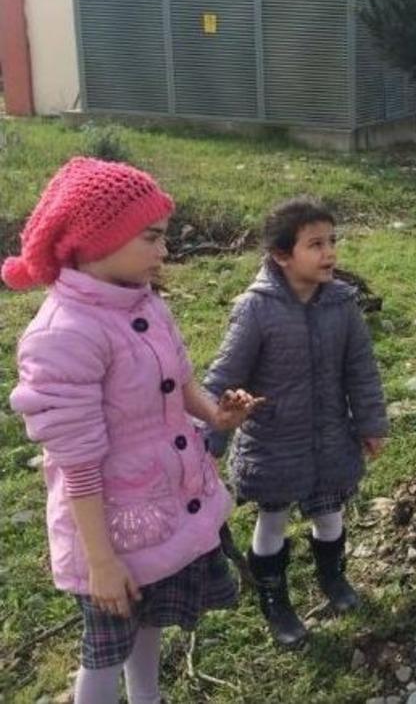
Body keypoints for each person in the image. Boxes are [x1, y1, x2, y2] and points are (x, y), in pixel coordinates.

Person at [4, 158, 262, 704]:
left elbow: (180, 377)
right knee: (105, 649)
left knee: (149, 621)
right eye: (151, 237)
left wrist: (214, 415)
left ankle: (147, 697)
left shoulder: (143, 302)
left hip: (161, 504)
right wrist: (101, 562)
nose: (164, 250)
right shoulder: (62, 335)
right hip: (112, 528)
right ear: (99, 238)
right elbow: (77, 461)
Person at [201, 198, 388, 648]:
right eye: (315, 244)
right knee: (273, 521)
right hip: (274, 443)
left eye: (332, 242)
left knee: (331, 514)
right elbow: (224, 379)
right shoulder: (256, 309)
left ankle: (333, 577)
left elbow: (361, 369)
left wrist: (370, 423)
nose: (330, 253)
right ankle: (275, 600)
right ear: (282, 255)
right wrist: (209, 441)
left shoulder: (342, 304)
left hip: (331, 437)